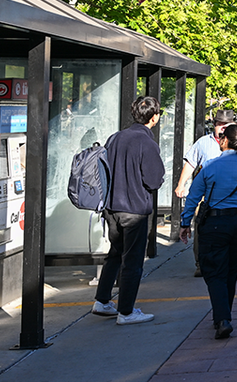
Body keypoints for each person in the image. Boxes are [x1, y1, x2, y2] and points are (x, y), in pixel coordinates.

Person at [178, 124, 237, 339]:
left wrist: (185, 223)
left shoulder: (210, 167)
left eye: (221, 137)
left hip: (215, 223)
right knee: (232, 270)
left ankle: (222, 318)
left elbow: (193, 197)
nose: (219, 140)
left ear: (226, 141)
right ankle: (224, 314)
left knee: (214, 271)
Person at [91, 96, 165, 325]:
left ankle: (102, 300)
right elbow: (154, 180)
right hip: (134, 209)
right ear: (154, 118)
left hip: (112, 206)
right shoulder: (147, 143)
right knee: (133, 260)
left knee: (115, 253)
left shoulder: (115, 138)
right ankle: (126, 311)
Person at [175, 108, 235, 277]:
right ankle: (201, 263)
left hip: (230, 195)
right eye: (220, 124)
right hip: (205, 195)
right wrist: (181, 184)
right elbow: (191, 163)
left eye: (227, 124)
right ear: (214, 125)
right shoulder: (203, 142)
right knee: (202, 228)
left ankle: (224, 260)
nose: (223, 127)